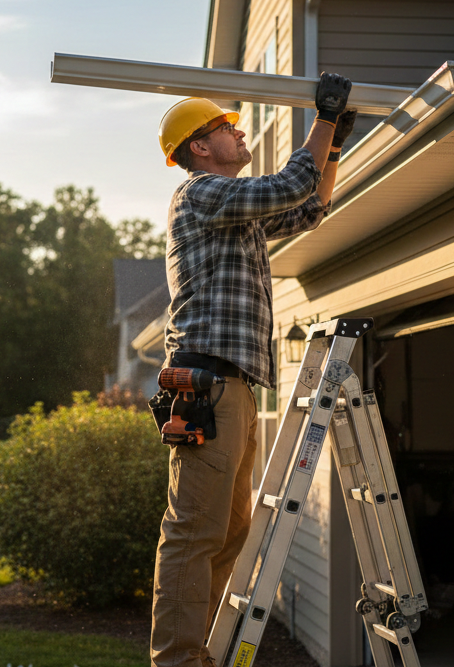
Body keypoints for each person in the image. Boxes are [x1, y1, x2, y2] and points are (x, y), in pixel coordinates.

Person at [151, 73, 356, 667]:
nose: (239, 132)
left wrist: (334, 144)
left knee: (230, 530)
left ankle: (202, 653)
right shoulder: (201, 195)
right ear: (199, 148)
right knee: (194, 532)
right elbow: (292, 181)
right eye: (225, 128)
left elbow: (310, 205)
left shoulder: (233, 213)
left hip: (231, 387)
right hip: (208, 384)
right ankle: (179, 661)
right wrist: (322, 120)